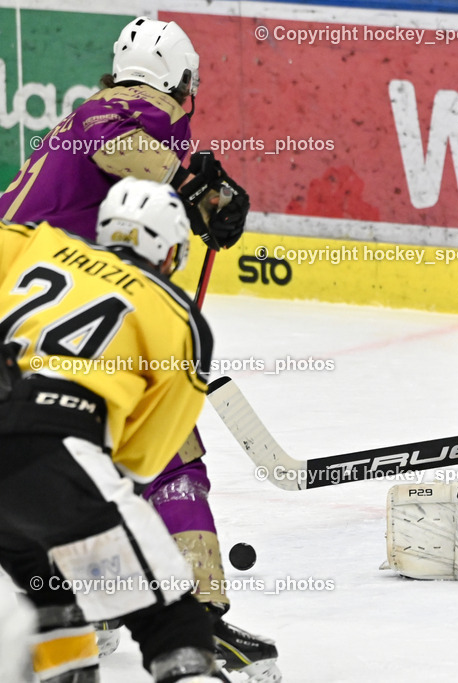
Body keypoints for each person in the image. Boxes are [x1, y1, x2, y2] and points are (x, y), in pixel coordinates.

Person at [0, 16, 277, 680]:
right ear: (183, 84)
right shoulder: (123, 111)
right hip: (20, 298)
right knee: (170, 449)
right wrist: (185, 179)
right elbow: (120, 146)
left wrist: (190, 183)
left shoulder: (103, 113)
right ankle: (197, 618)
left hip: (23, 309)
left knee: (48, 454)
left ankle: (81, 609)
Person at [0, 178, 225, 681]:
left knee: (51, 590)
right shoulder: (178, 316)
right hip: (55, 449)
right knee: (170, 618)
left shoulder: (36, 242)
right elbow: (142, 458)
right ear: (170, 253)